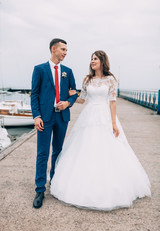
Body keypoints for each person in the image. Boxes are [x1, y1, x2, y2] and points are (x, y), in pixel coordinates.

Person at [50, 50, 151, 211]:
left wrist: (113, 122)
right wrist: (73, 95)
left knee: (107, 149)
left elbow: (112, 102)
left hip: (104, 115)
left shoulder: (110, 80)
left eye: (95, 59)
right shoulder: (87, 79)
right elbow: (83, 99)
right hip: (88, 115)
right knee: (85, 148)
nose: (92, 61)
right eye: (91, 59)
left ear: (102, 61)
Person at [31, 38, 78, 208]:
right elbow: (34, 94)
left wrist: (68, 103)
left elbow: (74, 93)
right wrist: (36, 116)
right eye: (63, 49)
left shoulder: (68, 71)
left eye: (66, 50)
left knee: (58, 151)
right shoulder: (40, 69)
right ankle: (39, 189)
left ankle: (55, 182)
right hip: (45, 117)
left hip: (62, 117)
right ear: (53, 49)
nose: (66, 52)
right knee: (42, 153)